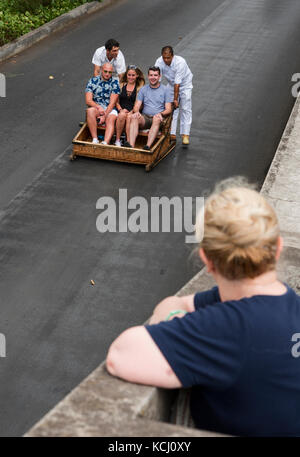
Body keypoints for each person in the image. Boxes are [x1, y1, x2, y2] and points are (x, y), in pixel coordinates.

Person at [106, 181, 300, 437]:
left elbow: (122, 354)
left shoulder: (226, 328)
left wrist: (174, 318)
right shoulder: (290, 306)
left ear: (207, 260)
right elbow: (190, 302)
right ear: (277, 248)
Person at [124, 66, 173, 150]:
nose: (153, 77)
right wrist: (136, 112)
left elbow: (168, 109)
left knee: (156, 118)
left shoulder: (165, 90)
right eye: (151, 75)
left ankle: (148, 146)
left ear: (159, 76)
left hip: (158, 118)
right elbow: (136, 106)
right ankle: (131, 146)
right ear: (148, 76)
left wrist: (161, 113)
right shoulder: (143, 89)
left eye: (155, 75)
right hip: (145, 117)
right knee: (134, 118)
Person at [155, 46, 193, 146]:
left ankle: (185, 134)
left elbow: (178, 83)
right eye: (164, 58)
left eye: (168, 58)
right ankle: (171, 133)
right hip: (171, 85)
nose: (166, 60)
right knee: (171, 108)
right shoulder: (159, 62)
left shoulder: (180, 62)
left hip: (185, 85)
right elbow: (156, 79)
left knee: (185, 108)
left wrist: (176, 99)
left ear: (172, 56)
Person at [85, 63, 120, 145]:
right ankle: (95, 139)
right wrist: (98, 107)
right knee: (90, 111)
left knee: (110, 119)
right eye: (105, 71)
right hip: (98, 107)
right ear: (101, 70)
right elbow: (88, 100)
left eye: (110, 72)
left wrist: (104, 115)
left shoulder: (115, 83)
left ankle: (105, 142)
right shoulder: (92, 81)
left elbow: (112, 103)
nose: (107, 74)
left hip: (110, 109)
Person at [114, 65, 145, 147]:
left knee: (129, 117)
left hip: (133, 110)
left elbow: (140, 104)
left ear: (137, 75)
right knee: (122, 115)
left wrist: (132, 111)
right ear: (126, 75)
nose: (131, 77)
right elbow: (115, 101)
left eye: (133, 75)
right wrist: (120, 109)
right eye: (129, 75)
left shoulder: (140, 88)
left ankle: (128, 141)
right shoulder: (121, 85)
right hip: (121, 109)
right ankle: (117, 140)